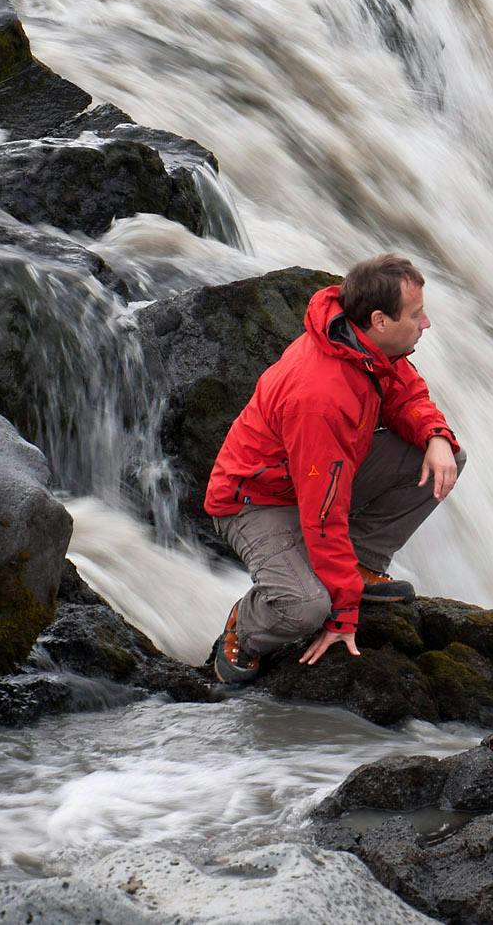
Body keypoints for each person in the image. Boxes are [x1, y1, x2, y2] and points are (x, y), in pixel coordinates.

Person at [204, 253, 463, 685]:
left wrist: (436, 436)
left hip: (321, 476)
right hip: (255, 501)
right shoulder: (321, 396)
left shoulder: (365, 345)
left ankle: (359, 564)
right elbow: (324, 515)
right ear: (379, 320)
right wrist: (343, 614)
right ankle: (245, 626)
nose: (427, 323)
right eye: (416, 314)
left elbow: (406, 394)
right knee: (307, 608)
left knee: (447, 458)